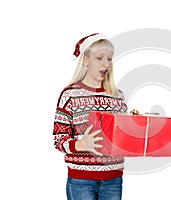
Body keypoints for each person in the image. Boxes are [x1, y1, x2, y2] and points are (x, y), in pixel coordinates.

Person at [52, 33, 127, 200]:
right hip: (81, 180)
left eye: (109, 58)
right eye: (99, 58)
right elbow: (58, 139)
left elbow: (121, 138)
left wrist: (138, 133)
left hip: (113, 179)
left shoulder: (118, 97)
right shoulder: (69, 95)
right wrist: (81, 144)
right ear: (85, 59)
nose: (106, 64)